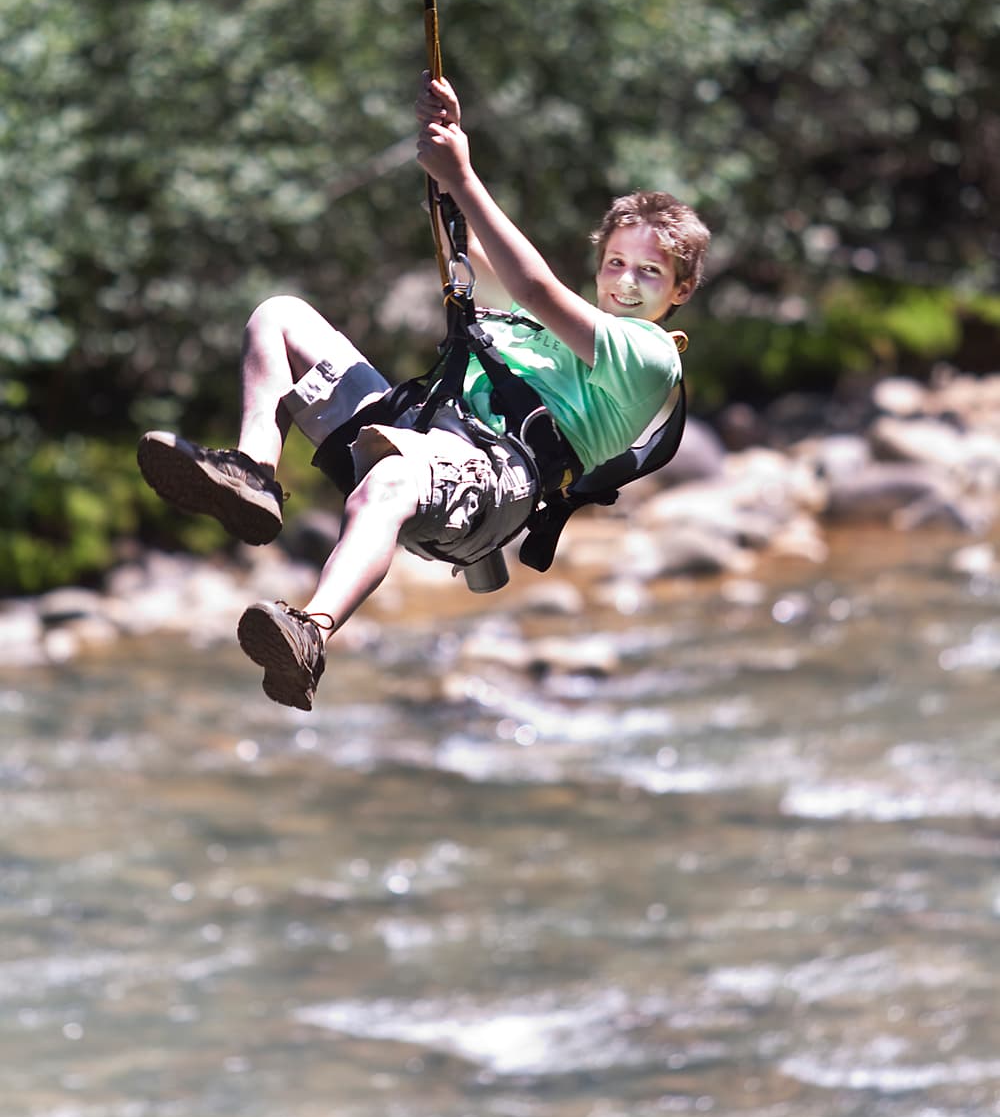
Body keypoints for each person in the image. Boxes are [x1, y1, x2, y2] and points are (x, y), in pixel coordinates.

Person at [137, 73, 710, 711]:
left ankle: (311, 632)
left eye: (649, 272)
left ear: (681, 290)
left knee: (389, 480)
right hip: (420, 433)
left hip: (492, 478)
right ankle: (254, 474)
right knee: (279, 316)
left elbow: (533, 286)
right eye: (616, 263)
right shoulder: (543, 326)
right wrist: (444, 149)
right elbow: (463, 252)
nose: (626, 282)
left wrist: (463, 174)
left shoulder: (650, 356)